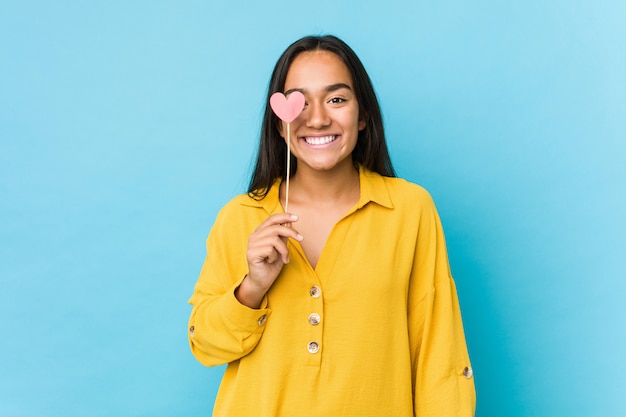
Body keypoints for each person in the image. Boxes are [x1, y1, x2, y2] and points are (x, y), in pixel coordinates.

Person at [188, 34, 476, 417]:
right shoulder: (239, 216)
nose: (318, 117)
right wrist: (252, 287)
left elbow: (440, 356)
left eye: (337, 99)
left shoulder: (409, 209)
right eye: (299, 103)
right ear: (279, 124)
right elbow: (206, 346)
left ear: (363, 116)